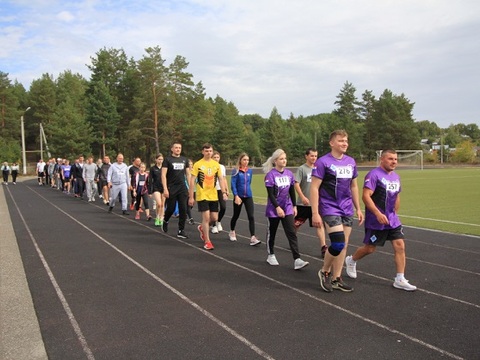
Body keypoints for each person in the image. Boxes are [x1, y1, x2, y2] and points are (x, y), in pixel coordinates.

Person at [345, 149, 417, 291]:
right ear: (382, 159)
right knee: (370, 248)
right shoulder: (373, 175)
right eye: (390, 159)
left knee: (400, 245)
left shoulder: (396, 177)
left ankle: (400, 278)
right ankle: (351, 260)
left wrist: (395, 212)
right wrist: (377, 213)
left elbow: (396, 195)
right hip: (376, 220)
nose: (394, 162)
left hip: (392, 220)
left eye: (395, 159)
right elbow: (366, 196)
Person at [310, 130, 364, 293]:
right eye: (341, 141)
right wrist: (315, 212)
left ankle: (336, 279)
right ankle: (324, 271)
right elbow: (314, 187)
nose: (345, 143)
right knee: (338, 243)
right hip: (329, 207)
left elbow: (353, 186)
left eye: (346, 140)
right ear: (332, 143)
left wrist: (358, 208)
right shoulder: (323, 162)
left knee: (344, 245)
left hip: (346, 207)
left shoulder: (350, 162)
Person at [263, 149, 309, 270]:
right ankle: (271, 254)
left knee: (291, 232)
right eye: (281, 159)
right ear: (275, 161)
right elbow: (271, 194)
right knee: (271, 232)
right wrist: (277, 207)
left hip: (287, 206)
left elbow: (291, 191)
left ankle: (297, 259)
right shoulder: (270, 175)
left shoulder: (289, 174)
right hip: (274, 208)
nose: (284, 161)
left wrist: (294, 205)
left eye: (285, 158)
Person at [189, 143, 228, 250]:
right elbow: (192, 181)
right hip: (202, 195)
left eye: (210, 151)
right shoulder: (198, 164)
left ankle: (202, 227)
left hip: (213, 195)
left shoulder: (216, 165)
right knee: (206, 217)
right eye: (206, 151)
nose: (209, 153)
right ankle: (207, 241)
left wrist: (224, 192)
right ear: (202, 152)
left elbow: (221, 179)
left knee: (214, 218)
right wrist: (191, 196)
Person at [294, 148, 328, 258]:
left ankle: (323, 247)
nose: (314, 158)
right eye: (312, 156)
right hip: (303, 204)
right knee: (296, 225)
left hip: (316, 204)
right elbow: (296, 184)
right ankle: (292, 240)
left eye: (315, 156)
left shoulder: (319, 169)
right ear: (306, 156)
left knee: (320, 225)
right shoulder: (302, 169)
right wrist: (302, 197)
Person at [229, 153, 260, 245]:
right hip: (239, 196)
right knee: (236, 215)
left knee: (251, 216)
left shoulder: (250, 171)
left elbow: (249, 183)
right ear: (240, 160)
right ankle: (232, 231)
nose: (246, 162)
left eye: (247, 160)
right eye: (244, 160)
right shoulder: (236, 171)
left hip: (248, 196)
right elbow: (233, 185)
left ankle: (253, 237)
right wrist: (236, 196)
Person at [162, 142, 190, 239]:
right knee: (171, 208)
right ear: (172, 149)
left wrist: (190, 188)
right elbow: (163, 175)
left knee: (183, 209)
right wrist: (165, 188)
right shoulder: (167, 160)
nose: (178, 149)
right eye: (176, 148)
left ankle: (181, 230)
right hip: (171, 187)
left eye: (179, 148)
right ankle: (165, 220)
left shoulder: (184, 160)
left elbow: (188, 174)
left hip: (182, 187)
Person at [210, 151, 228, 234]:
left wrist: (226, 189)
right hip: (212, 189)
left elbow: (223, 178)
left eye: (218, 157)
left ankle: (218, 221)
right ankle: (213, 225)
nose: (216, 159)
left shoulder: (222, 167)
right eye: (215, 157)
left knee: (223, 207)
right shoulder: (209, 166)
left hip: (220, 189)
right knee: (214, 208)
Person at [148, 154, 165, 227]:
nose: (160, 161)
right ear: (156, 160)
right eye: (159, 159)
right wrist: (150, 191)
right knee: (159, 203)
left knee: (163, 205)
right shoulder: (152, 168)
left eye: (161, 159)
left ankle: (161, 217)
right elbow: (150, 180)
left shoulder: (164, 168)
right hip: (156, 187)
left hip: (163, 187)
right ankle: (157, 216)